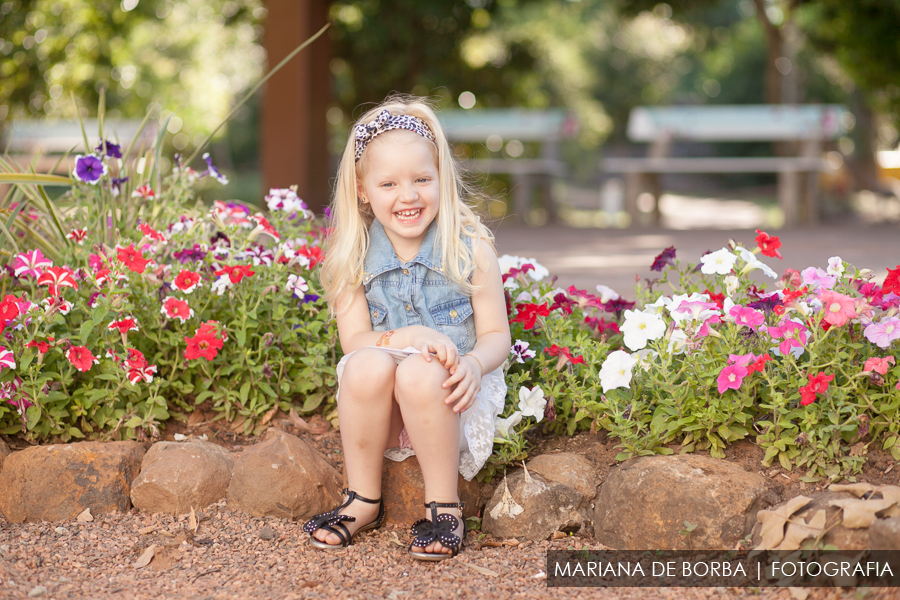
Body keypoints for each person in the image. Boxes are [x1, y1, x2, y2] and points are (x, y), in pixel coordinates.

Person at [303, 96, 511, 561]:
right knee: (364, 366)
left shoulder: (469, 249)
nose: (409, 195)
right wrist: (410, 338)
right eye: (389, 183)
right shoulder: (351, 258)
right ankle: (362, 499)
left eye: (422, 179)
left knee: (420, 373)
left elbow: (498, 335)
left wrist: (475, 365)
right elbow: (353, 342)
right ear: (362, 189)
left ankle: (444, 508)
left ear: (441, 177)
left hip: (451, 396)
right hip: (384, 409)